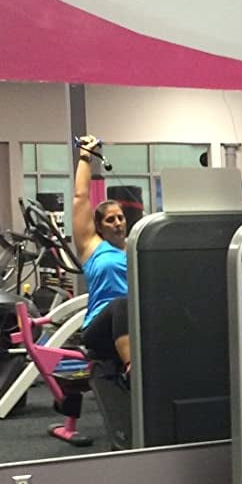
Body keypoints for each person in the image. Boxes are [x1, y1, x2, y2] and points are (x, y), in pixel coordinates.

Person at [72, 136, 132, 369]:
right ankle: (131, 368)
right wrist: (85, 156)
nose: (117, 223)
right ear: (98, 225)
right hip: (99, 327)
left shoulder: (137, 248)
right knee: (121, 304)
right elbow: (80, 197)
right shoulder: (92, 246)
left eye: (120, 217)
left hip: (135, 323)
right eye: (110, 220)